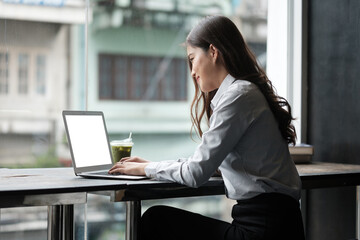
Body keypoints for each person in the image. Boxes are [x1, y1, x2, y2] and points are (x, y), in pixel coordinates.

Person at [109, 15, 305, 240]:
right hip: (274, 224)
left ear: (213, 51)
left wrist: (147, 169)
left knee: (156, 220)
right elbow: (204, 164)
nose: (192, 71)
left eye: (192, 58)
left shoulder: (237, 96)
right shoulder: (244, 93)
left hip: (263, 230)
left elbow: (195, 173)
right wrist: (152, 165)